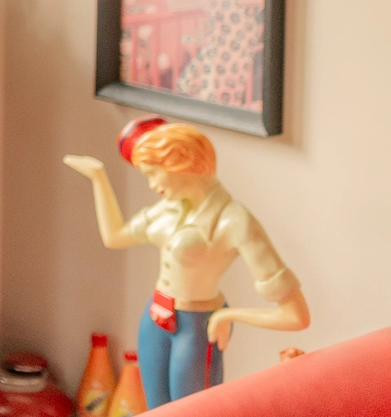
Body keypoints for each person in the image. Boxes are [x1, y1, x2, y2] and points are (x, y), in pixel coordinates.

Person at [64, 118, 310, 408]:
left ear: (179, 161)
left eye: (153, 174)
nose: (152, 185)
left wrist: (228, 316)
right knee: (156, 408)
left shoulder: (234, 221)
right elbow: (115, 236)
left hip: (198, 325)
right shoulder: (168, 209)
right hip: (155, 316)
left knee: (194, 409)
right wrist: (99, 178)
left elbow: (296, 315)